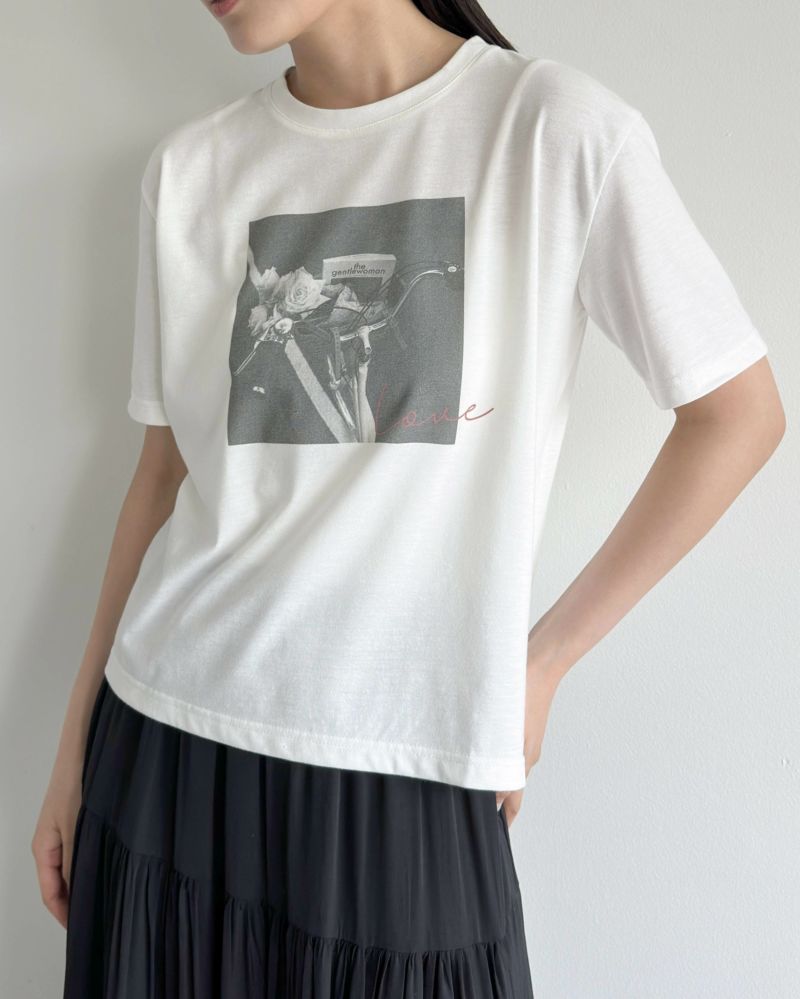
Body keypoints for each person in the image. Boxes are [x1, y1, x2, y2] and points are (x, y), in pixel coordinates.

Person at [33, 1, 785, 996]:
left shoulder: (549, 130)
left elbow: (737, 415)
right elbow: (161, 475)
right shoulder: (190, 170)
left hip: (408, 755)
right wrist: (74, 749)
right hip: (165, 750)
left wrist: (542, 665)